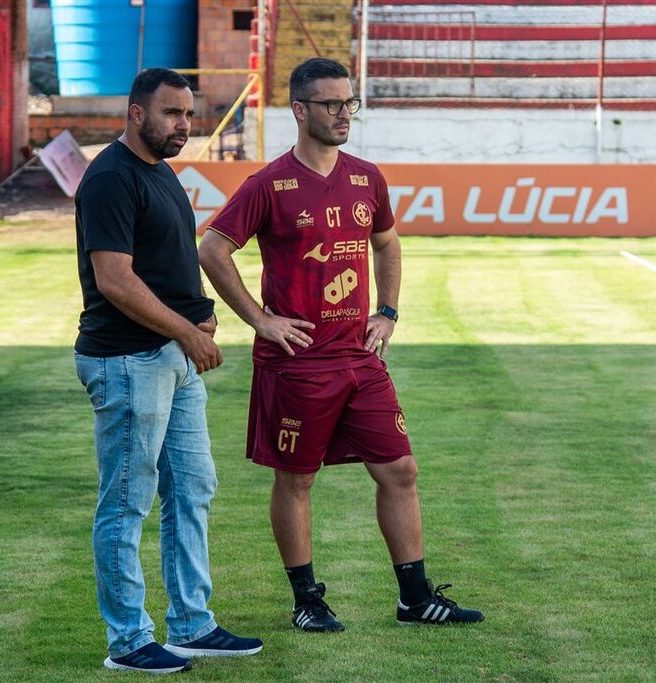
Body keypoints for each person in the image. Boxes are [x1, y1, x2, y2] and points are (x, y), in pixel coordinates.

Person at [198, 58, 484, 632]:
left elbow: (386, 242)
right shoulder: (268, 184)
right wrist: (261, 320)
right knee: (298, 479)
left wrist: (388, 310)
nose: (343, 113)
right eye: (331, 104)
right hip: (297, 364)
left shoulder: (365, 177)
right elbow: (212, 249)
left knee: (400, 469)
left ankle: (413, 597)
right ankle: (307, 600)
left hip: (360, 356)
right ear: (300, 110)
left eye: (349, 102)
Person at [73, 67, 263, 674]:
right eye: (172, 114)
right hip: (128, 360)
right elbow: (115, 279)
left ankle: (191, 624)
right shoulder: (110, 178)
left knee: (192, 488)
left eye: (189, 115)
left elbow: (164, 266)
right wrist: (184, 330)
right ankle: (128, 640)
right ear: (135, 113)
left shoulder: (160, 174)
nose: (185, 125)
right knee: (127, 502)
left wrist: (196, 319)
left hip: (171, 357)